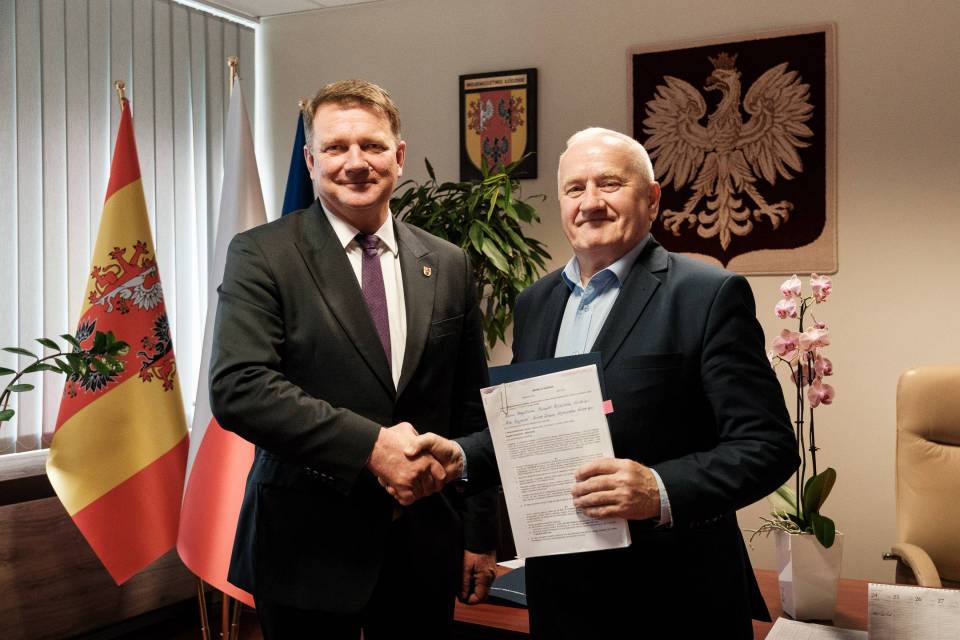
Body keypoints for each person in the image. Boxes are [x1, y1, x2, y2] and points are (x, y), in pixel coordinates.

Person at [410, 127, 799, 638]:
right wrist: (461, 457)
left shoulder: (708, 294)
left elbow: (768, 446)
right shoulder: (535, 303)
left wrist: (659, 489)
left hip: (675, 596)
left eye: (609, 184)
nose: (590, 202)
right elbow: (531, 431)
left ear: (652, 198)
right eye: (575, 189)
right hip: (561, 594)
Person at [209, 79, 497, 639]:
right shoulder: (262, 254)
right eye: (336, 147)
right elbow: (239, 387)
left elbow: (473, 407)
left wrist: (480, 534)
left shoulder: (448, 263)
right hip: (304, 552)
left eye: (372, 145)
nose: (356, 162)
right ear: (311, 160)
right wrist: (371, 447)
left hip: (422, 552)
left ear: (399, 155)